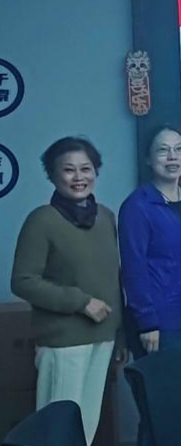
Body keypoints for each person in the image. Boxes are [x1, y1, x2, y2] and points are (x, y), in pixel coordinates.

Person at [11, 138, 122, 446]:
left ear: (96, 171)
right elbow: (23, 281)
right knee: (57, 430)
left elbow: (113, 280)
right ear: (52, 175)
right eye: (68, 170)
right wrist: (80, 302)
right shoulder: (41, 220)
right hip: (63, 343)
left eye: (86, 169)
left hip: (103, 338)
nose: (78, 177)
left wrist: (120, 334)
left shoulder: (106, 217)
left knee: (86, 427)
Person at [119, 125, 181, 359]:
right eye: (163, 150)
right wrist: (147, 322)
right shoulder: (138, 206)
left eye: (179, 149)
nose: (173, 157)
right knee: (163, 382)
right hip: (159, 322)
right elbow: (134, 268)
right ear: (148, 158)